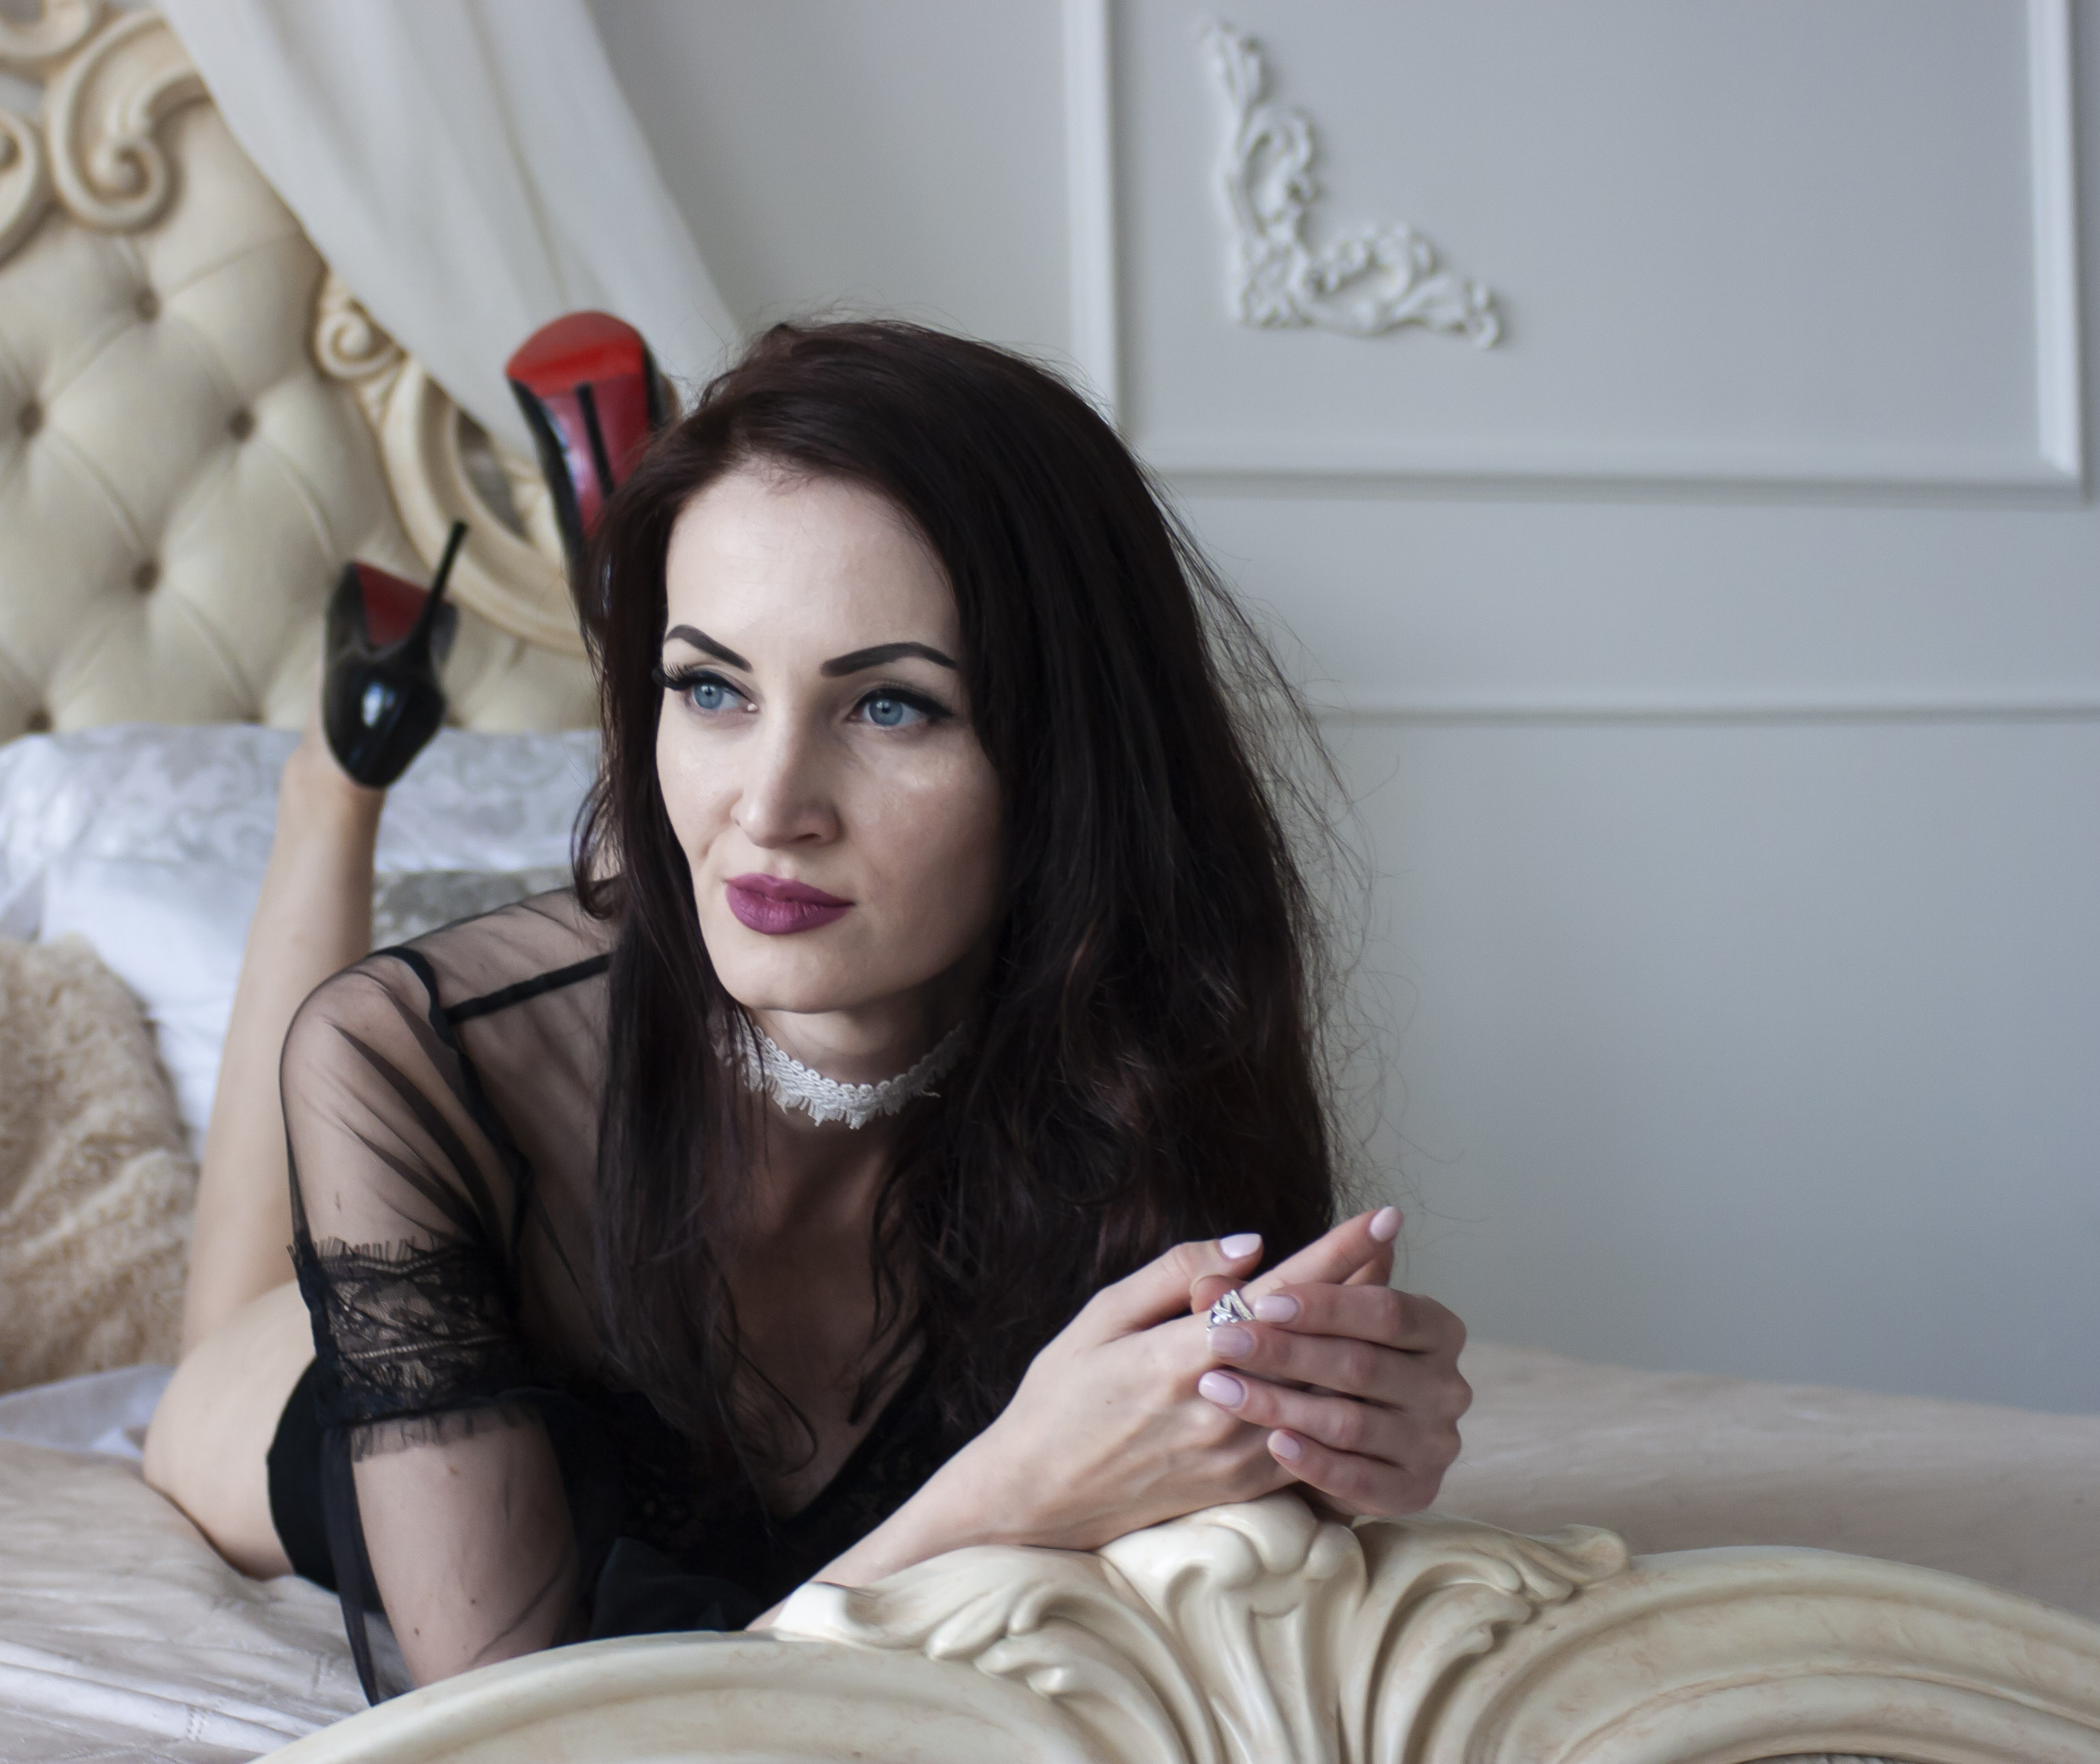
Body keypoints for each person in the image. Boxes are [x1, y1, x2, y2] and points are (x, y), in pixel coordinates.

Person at [142, 318, 1472, 1702]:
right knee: (222, 1329)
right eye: (707, 685)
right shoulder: (410, 1059)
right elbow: (516, 1737)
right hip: (296, 1391)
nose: (773, 808)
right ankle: (337, 778)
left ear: (1072, 753)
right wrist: (1006, 1493)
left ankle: (643, 594)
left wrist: (1329, 1449)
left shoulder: (1152, 1023)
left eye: (891, 707)